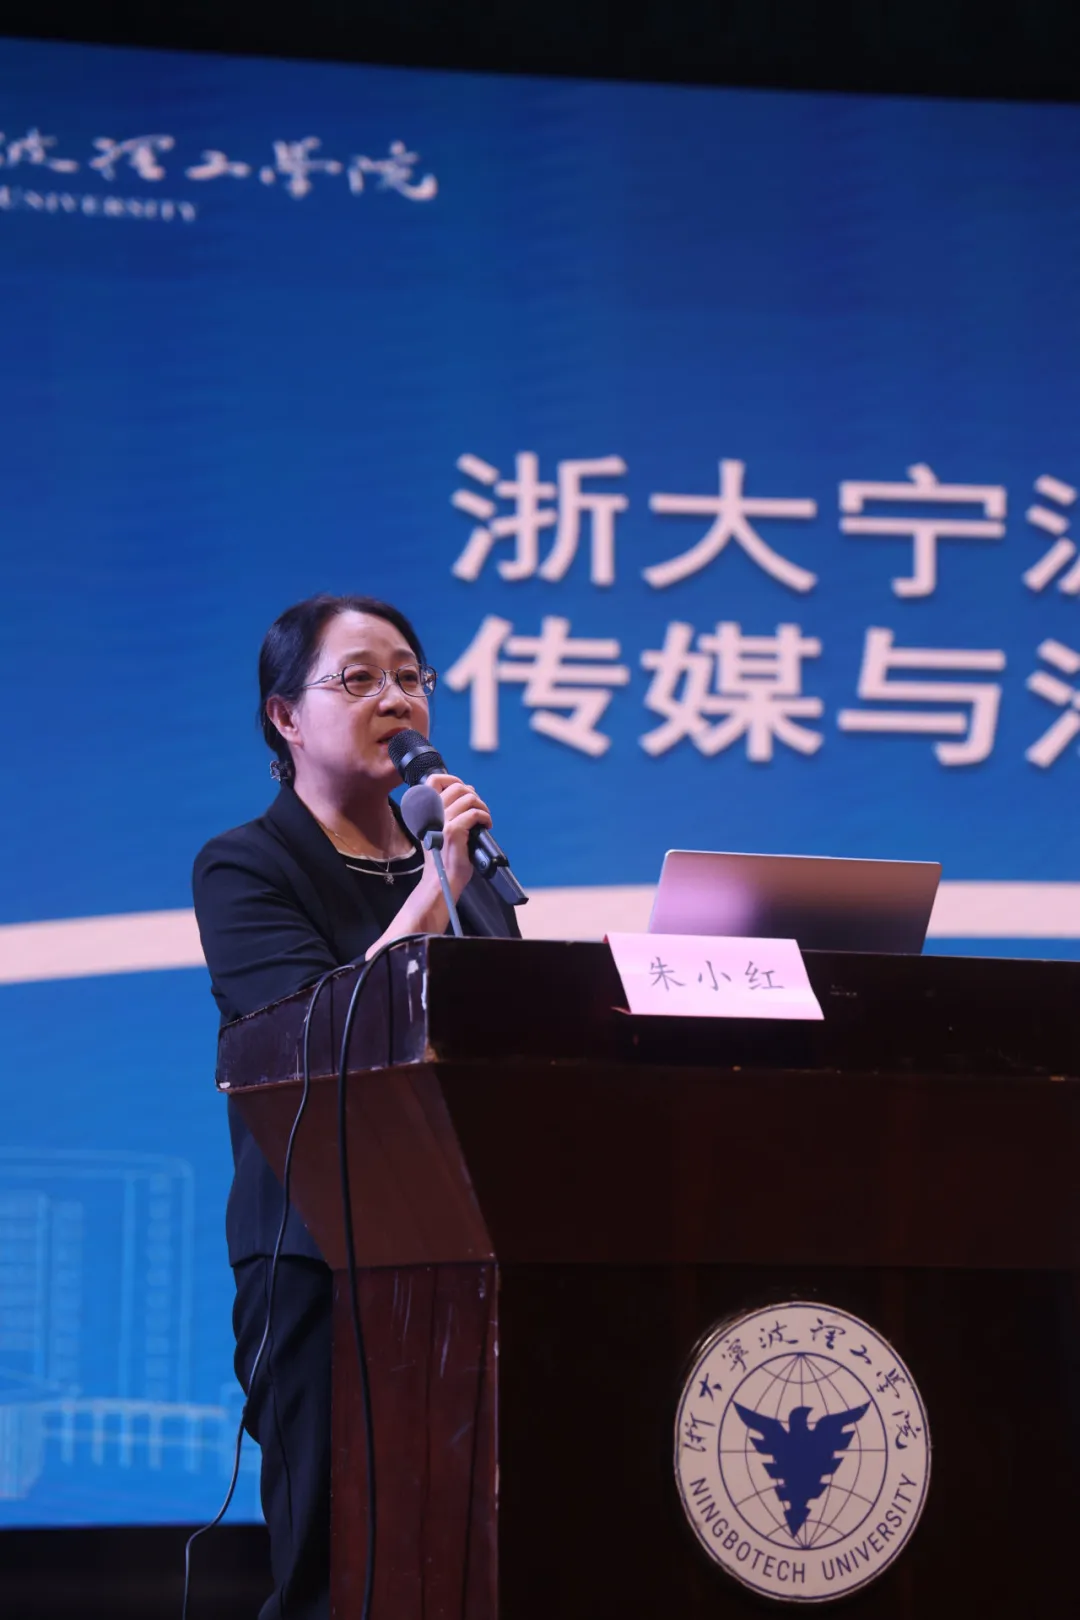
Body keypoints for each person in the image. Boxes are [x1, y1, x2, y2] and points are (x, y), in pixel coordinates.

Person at [192, 593, 521, 1620]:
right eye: (361, 677)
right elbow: (315, 1037)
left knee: (476, 1555)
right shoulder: (247, 866)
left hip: (469, 1254)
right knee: (337, 1567)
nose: (398, 698)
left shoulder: (464, 871)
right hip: (318, 1260)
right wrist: (433, 889)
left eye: (412, 677)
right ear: (285, 716)